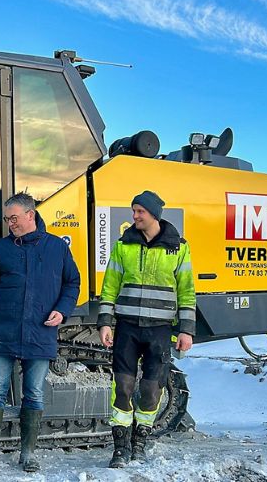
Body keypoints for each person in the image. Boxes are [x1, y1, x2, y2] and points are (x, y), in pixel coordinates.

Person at [0, 192, 81, 473]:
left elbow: (72, 283)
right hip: (4, 332)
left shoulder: (56, 248)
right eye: (7, 219)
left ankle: (28, 453)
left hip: (40, 332)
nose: (10, 223)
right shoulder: (0, 249)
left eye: (14, 218)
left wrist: (62, 309)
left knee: (34, 393)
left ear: (30, 215)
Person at [97, 190, 196, 468]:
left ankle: (139, 443)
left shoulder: (178, 247)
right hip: (127, 328)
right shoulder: (123, 245)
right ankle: (120, 449)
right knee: (123, 388)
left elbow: (187, 291)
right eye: (133, 211)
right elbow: (110, 287)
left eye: (139, 211)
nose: (134, 216)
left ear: (154, 214)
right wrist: (106, 322)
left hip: (160, 330)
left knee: (152, 390)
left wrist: (186, 329)